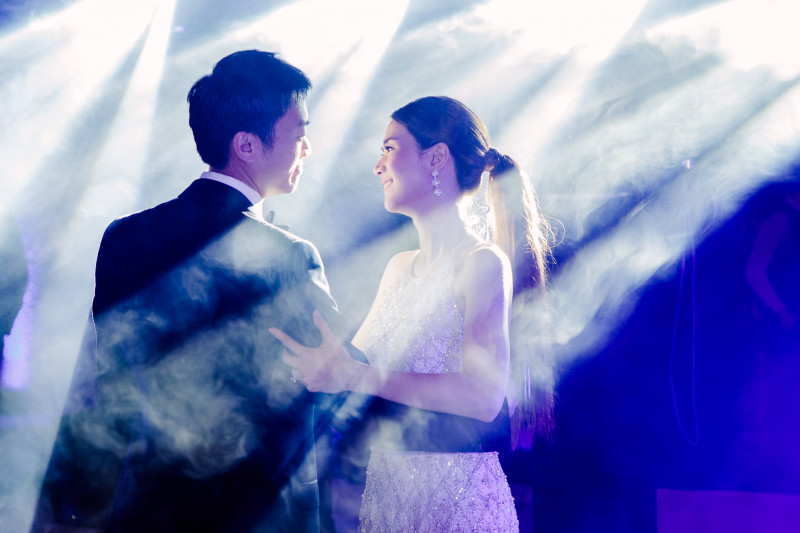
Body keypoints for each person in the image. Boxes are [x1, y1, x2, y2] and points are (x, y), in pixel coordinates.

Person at [35, 50, 345, 533]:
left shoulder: (124, 237)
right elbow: (329, 382)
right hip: (254, 509)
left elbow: (106, 380)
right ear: (246, 145)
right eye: (299, 134)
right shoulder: (288, 255)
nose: (307, 149)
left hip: (144, 504)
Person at [271, 96, 555, 532]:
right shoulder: (397, 268)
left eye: (389, 148)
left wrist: (352, 374)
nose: (377, 166)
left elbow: (483, 397)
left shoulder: (482, 262)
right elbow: (348, 367)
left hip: (457, 504)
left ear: (436, 158)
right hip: (388, 499)